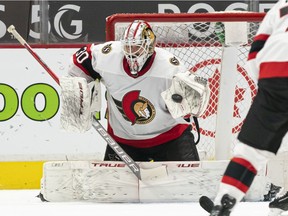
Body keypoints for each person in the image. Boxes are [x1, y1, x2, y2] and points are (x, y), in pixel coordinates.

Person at [59, 20, 210, 162]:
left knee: (192, 185)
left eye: (137, 46)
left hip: (170, 138)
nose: (131, 52)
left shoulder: (169, 68)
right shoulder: (109, 56)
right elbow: (80, 61)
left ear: (150, 46)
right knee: (111, 189)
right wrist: (76, 90)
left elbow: (188, 107)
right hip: (123, 141)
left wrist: (188, 105)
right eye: (128, 46)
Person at [205, 0, 288, 215]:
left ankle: (224, 201)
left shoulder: (281, 6)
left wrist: (268, 93)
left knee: (251, 151)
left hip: (273, 72)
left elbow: (254, 54)